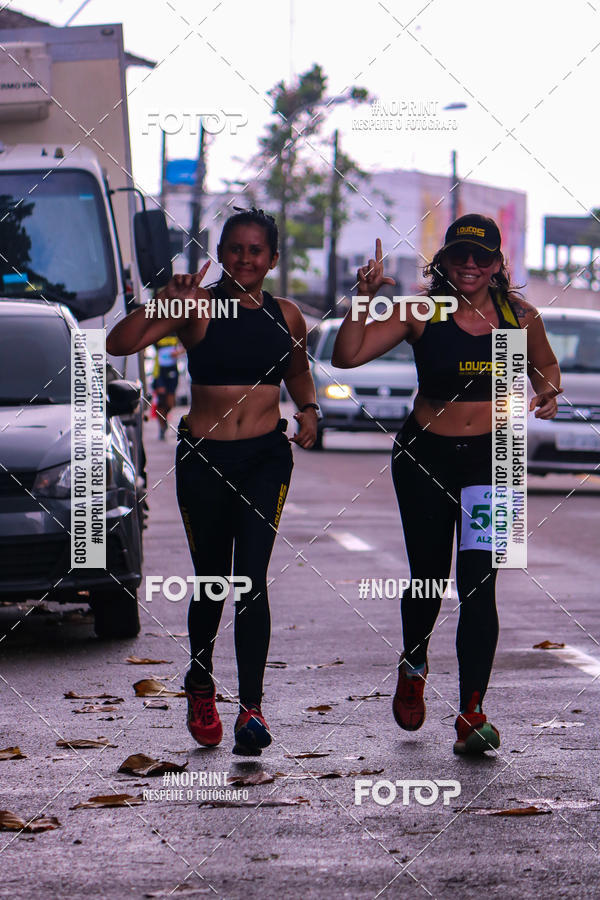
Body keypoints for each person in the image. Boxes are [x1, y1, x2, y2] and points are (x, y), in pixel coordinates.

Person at [332, 214, 562, 755]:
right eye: (460, 255)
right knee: (429, 576)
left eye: (482, 258)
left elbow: (546, 369)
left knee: (480, 585)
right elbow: (347, 355)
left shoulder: (519, 317)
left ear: (498, 264)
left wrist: (546, 393)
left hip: (495, 459)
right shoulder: (422, 310)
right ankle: (414, 660)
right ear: (443, 260)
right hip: (425, 457)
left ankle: (472, 711)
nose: (470, 265)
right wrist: (362, 301)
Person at [106, 207, 319, 754]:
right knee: (212, 581)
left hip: (266, 459)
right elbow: (119, 343)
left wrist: (310, 409)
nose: (245, 258)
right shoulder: (197, 305)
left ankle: (252, 708)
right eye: (235, 248)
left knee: (250, 579)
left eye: (256, 250)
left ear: (272, 259)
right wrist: (164, 302)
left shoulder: (288, 315)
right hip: (205, 460)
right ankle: (200, 680)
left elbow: (297, 369)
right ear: (219, 254)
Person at [152, 335, 183, 439]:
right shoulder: (157, 333)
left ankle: (164, 419)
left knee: (170, 403)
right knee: (161, 402)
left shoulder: (176, 333)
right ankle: (162, 427)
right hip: (160, 372)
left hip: (172, 371)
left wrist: (179, 352)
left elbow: (187, 346)